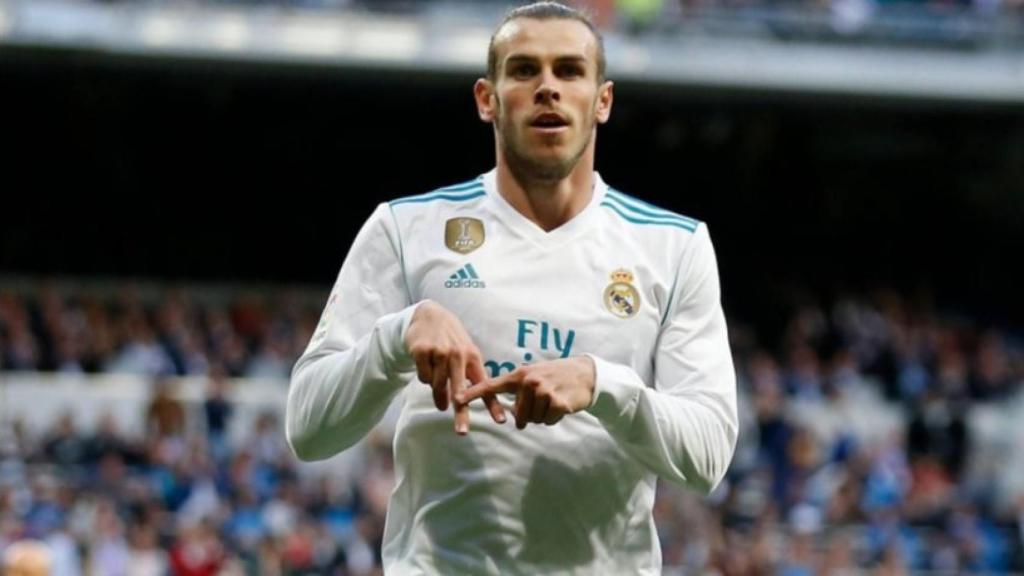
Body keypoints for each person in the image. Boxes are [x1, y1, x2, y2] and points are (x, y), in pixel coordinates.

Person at [286, 2, 738, 572]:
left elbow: (707, 458)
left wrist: (601, 385)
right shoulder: (407, 228)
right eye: (524, 70)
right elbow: (308, 430)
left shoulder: (674, 246)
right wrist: (399, 335)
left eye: (569, 70)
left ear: (602, 101)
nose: (548, 87)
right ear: (487, 99)